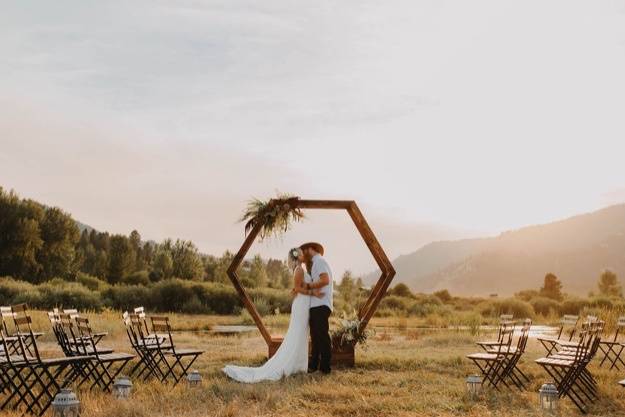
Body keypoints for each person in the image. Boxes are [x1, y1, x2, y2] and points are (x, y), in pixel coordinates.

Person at [222, 247, 324, 383]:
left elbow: (298, 287)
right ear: (297, 256)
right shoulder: (299, 270)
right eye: (301, 253)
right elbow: (299, 288)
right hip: (301, 306)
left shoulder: (301, 269)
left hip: (304, 304)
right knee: (298, 333)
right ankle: (294, 365)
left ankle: (299, 365)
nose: (303, 254)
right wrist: (313, 293)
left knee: (300, 334)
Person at [300, 242, 333, 374]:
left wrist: (308, 286)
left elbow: (325, 280)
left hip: (321, 304)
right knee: (315, 337)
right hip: (316, 305)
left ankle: (325, 368)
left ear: (310, 249)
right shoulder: (315, 263)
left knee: (322, 336)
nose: (303, 254)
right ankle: (313, 366)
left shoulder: (319, 261)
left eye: (304, 251)